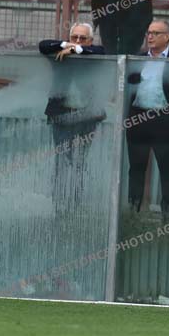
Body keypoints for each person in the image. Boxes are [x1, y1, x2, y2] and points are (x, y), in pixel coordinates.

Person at [38, 23, 106, 214]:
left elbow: (101, 51)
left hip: (86, 117)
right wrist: (65, 45)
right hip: (62, 117)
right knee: (61, 161)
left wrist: (77, 49)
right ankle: (58, 206)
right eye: (74, 37)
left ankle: (75, 206)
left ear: (90, 40)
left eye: (82, 38)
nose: (77, 41)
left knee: (79, 162)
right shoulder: (60, 55)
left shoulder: (94, 55)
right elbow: (43, 45)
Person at [126, 20, 169, 221]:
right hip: (138, 119)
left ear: (167, 36)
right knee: (136, 168)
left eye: (155, 33)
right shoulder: (137, 59)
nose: (150, 36)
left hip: (165, 121)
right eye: (149, 32)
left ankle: (167, 213)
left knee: (167, 169)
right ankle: (133, 211)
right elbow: (127, 87)